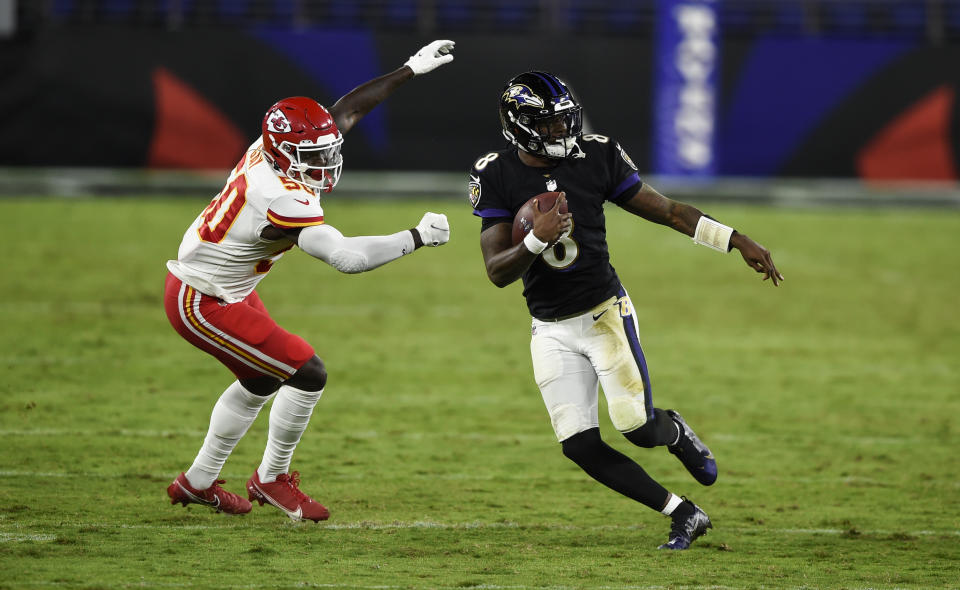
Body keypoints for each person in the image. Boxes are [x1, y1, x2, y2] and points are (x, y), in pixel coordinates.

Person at [468, 71, 783, 550]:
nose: (562, 132)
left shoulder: (596, 154)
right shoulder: (495, 174)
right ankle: (684, 513)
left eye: (563, 122)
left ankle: (673, 430)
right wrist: (536, 238)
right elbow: (497, 271)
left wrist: (735, 239)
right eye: (550, 126)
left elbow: (670, 211)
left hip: (603, 313)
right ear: (522, 126)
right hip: (549, 327)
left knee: (637, 427)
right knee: (578, 445)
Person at [163, 40, 456, 522]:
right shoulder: (281, 195)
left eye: (323, 153)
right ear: (286, 156)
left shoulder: (271, 152)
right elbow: (346, 257)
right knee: (307, 371)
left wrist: (408, 69)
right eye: (313, 156)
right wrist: (416, 237)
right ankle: (272, 478)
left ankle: (196, 483)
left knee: (260, 380)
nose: (324, 163)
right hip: (203, 299)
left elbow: (342, 115)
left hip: (224, 286)